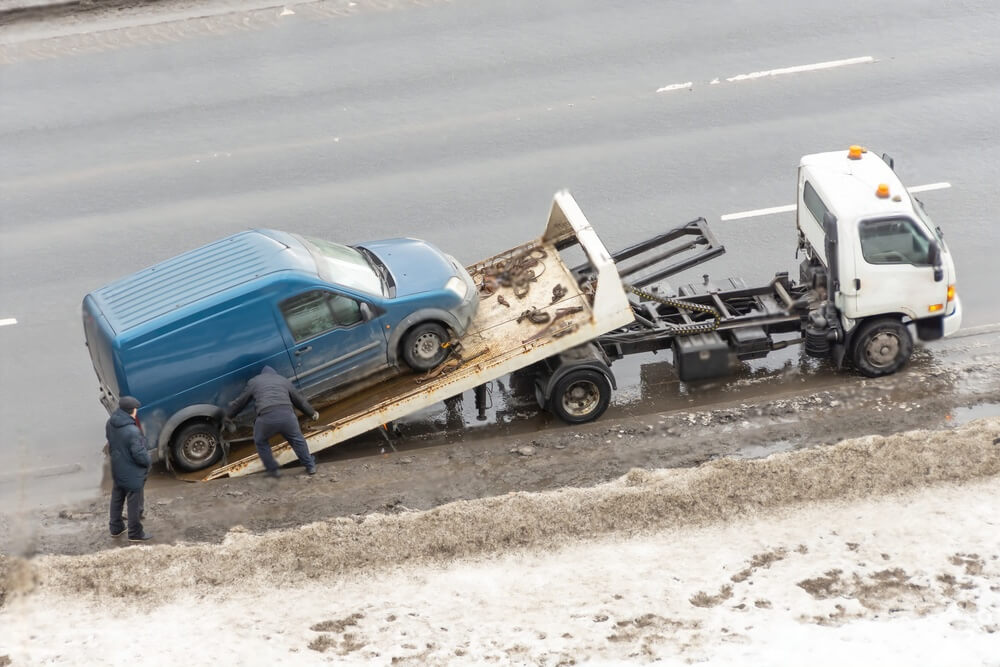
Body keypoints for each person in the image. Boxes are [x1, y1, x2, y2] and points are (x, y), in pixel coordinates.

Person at [226, 366, 319, 477]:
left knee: (260, 441)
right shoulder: (283, 380)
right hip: (287, 416)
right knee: (297, 439)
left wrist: (227, 416)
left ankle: (272, 469)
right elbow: (300, 401)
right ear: (274, 373)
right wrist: (312, 414)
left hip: (266, 418)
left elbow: (240, 402)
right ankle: (310, 466)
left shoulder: (254, 381)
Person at [107, 395, 152, 542]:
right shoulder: (132, 431)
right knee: (134, 501)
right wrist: (148, 462)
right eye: (136, 409)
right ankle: (135, 533)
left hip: (117, 466)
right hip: (132, 472)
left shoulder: (110, 423)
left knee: (117, 497)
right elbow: (139, 454)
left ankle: (116, 527)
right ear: (132, 411)